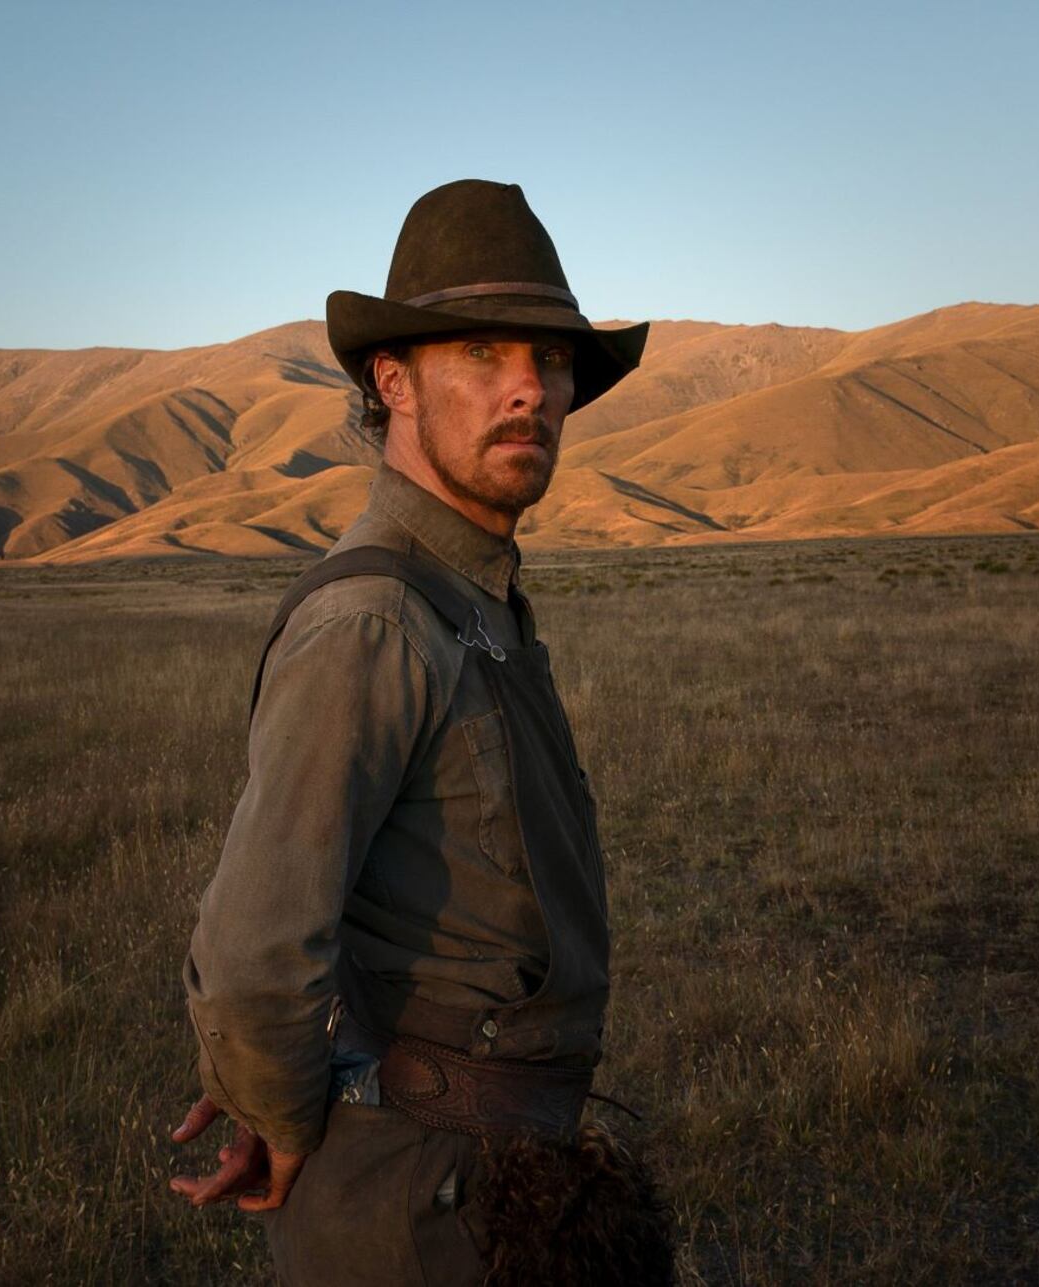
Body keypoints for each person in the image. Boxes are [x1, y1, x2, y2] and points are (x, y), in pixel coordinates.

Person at [169, 179, 662, 1285]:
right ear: (392, 380)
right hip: (413, 1215)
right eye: (483, 354)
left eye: (550, 359)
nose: (528, 390)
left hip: (490, 1183)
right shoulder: (375, 619)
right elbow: (253, 953)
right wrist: (284, 1115)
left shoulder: (471, 595)